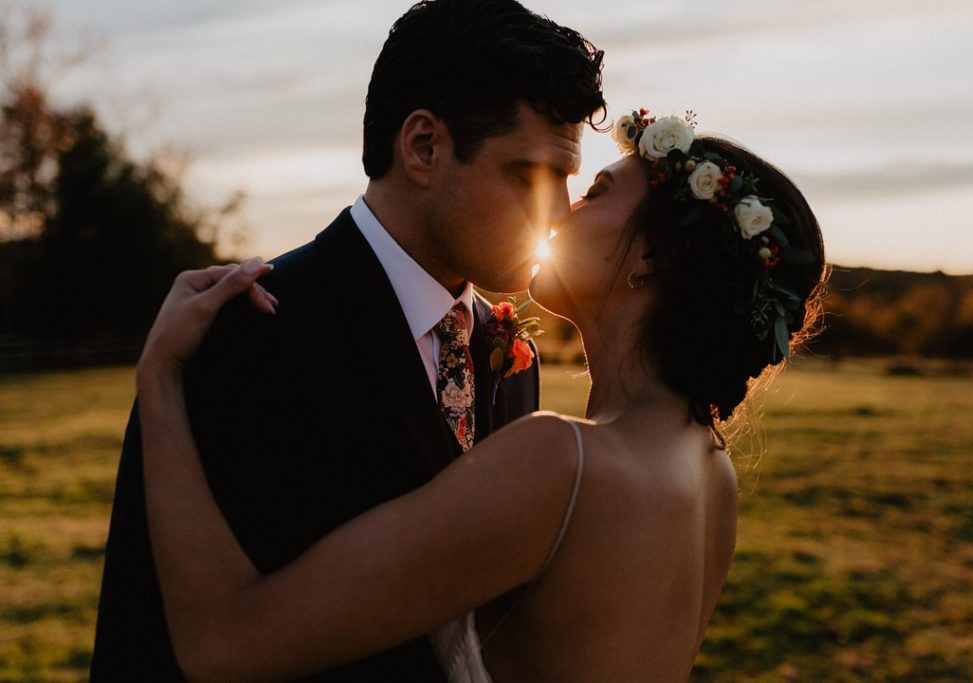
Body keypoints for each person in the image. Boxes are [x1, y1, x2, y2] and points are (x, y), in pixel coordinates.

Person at [135, 111, 827, 681]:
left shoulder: (561, 466)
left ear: (649, 260)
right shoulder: (712, 470)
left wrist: (161, 379)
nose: (558, 209)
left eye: (595, 193)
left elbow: (224, 644)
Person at [90, 1, 605, 680]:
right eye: (531, 177)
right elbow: (145, 630)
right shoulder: (242, 334)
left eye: (570, 180)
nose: (562, 215)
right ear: (423, 146)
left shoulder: (513, 356)